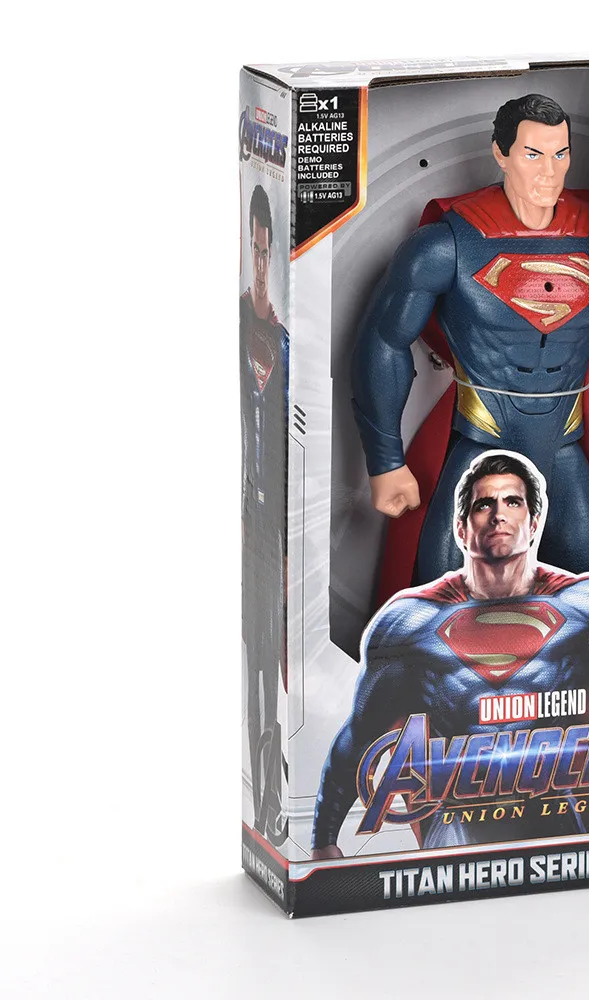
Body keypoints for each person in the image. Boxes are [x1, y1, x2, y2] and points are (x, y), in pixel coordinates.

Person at [351, 94, 589, 590]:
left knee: (586, 587)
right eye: (533, 154)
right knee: (445, 590)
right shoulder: (447, 245)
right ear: (500, 153)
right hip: (482, 436)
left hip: (563, 441)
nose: (550, 171)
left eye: (561, 153)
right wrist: (385, 460)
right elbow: (383, 342)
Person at [312, 452, 589, 858]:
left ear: (534, 523)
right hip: (456, 815)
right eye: (484, 504)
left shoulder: (585, 607)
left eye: (512, 502)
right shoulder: (412, 622)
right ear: (461, 529)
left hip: (551, 806)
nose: (498, 515)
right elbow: (359, 735)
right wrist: (323, 841)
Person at [240, 183, 289, 844]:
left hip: (279, 523)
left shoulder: (285, 338)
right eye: (250, 249)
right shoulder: (235, 324)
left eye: (263, 250)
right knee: (253, 660)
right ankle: (260, 806)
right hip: (246, 518)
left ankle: (275, 807)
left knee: (278, 662)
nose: (256, 263)